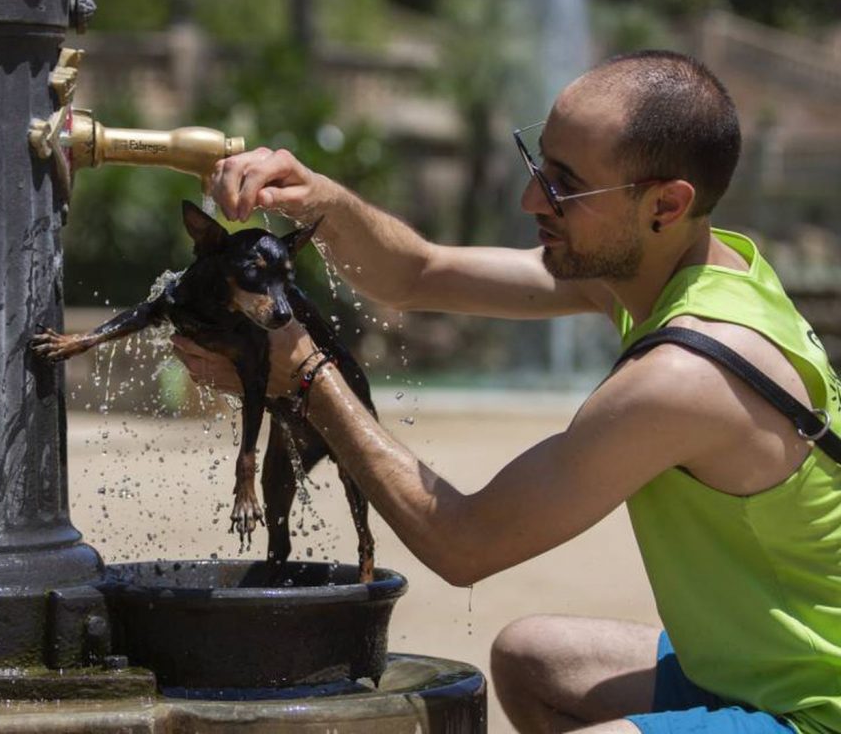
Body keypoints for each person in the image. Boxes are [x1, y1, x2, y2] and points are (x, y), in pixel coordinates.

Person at [172, 50, 841, 733]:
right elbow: (420, 274)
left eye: (564, 187)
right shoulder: (690, 269)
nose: (530, 199)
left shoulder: (683, 378)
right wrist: (323, 201)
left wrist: (309, 378)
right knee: (532, 660)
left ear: (666, 204)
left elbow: (463, 544)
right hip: (772, 668)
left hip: (815, 711)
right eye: (538, 163)